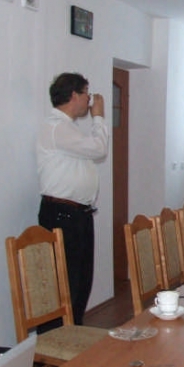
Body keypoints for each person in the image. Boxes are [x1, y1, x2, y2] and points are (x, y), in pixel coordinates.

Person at [37, 72, 108, 325]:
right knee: (65, 286)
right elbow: (99, 149)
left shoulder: (68, 128)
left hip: (77, 215)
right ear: (74, 95)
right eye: (86, 93)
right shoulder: (57, 127)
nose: (90, 99)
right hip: (63, 215)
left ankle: (74, 335)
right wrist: (99, 117)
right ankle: (60, 339)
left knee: (80, 283)